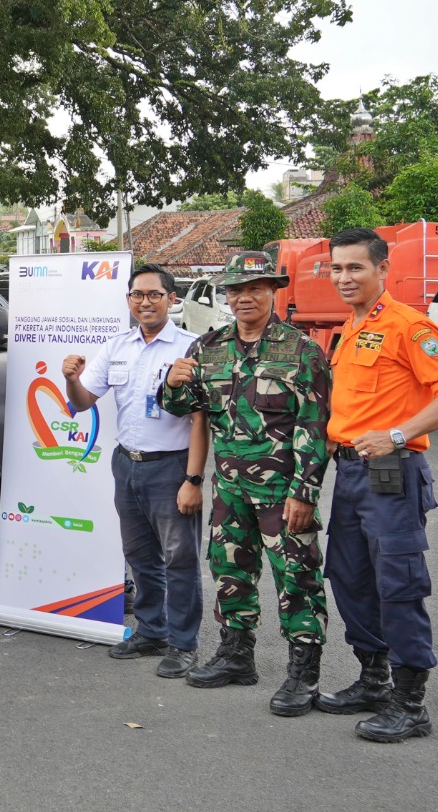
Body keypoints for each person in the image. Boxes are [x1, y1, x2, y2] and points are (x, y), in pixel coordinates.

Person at [159, 256, 331, 716]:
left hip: (283, 493)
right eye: (235, 290)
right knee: (231, 574)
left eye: (255, 288)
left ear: (274, 290)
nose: (244, 298)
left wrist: (304, 493)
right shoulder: (209, 346)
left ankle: (304, 673)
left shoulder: (301, 351)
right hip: (230, 491)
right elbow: (184, 407)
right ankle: (237, 656)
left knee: (297, 581)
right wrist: (171, 384)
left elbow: (315, 429)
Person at [318, 227, 438, 741]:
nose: (344, 277)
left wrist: (398, 434)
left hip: (391, 473)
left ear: (383, 269)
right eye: (337, 268)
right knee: (351, 575)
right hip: (353, 472)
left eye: (355, 267)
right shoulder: (349, 327)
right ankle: (373, 680)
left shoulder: (410, 326)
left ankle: (411, 702)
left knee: (397, 583)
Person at [63, 263, 205, 678]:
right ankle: (151, 630)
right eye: (137, 295)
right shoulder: (117, 346)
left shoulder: (191, 347)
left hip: (172, 466)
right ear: (128, 300)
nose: (145, 302)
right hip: (127, 464)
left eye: (154, 295)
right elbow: (84, 400)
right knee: (139, 555)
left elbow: (201, 419)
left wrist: (193, 479)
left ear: (171, 299)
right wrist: (70, 379)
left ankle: (183, 644)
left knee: (180, 559)